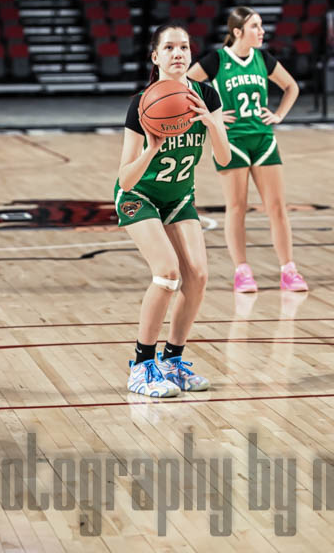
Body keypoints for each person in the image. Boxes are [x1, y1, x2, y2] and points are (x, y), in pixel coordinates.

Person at [115, 23, 230, 397]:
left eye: (184, 47)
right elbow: (126, 178)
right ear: (155, 56)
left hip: (178, 197)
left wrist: (211, 123)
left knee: (198, 276)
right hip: (139, 196)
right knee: (167, 273)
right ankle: (141, 367)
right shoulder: (142, 104)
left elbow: (224, 158)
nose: (178, 53)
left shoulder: (206, 95)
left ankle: (172, 363)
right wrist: (152, 148)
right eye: (169, 48)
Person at [188, 6, 308, 293]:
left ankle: (288, 270)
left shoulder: (263, 59)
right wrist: (211, 115)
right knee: (237, 208)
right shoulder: (217, 60)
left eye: (261, 25)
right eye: (255, 26)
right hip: (232, 141)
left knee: (277, 207)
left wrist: (279, 114)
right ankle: (242, 271)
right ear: (237, 31)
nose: (262, 31)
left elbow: (291, 87)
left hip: (263, 138)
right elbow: (185, 86)